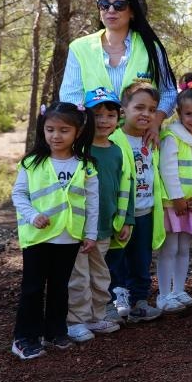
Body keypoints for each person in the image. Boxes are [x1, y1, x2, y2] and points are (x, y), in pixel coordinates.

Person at [10, 102, 99, 360]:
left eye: (63, 130)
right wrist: (32, 216)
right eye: (50, 129)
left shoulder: (86, 166)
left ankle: (55, 331)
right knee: (33, 288)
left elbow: (92, 203)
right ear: (43, 129)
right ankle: (24, 338)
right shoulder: (31, 163)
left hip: (69, 236)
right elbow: (19, 194)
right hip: (37, 237)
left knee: (60, 287)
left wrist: (90, 234)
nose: (55, 136)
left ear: (78, 132)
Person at [59, 0, 177, 147]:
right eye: (104, 5)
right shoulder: (79, 48)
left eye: (119, 5)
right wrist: (86, 125)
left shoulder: (151, 48)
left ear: (132, 11)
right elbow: (71, 95)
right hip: (94, 142)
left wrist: (155, 123)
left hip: (141, 141)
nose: (111, 10)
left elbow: (169, 92)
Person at [66, 88, 127, 342]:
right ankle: (75, 321)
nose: (103, 121)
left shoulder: (116, 150)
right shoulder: (77, 150)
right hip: (79, 227)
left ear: (118, 118)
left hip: (104, 226)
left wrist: (126, 219)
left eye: (110, 115)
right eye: (97, 115)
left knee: (101, 275)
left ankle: (96, 316)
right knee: (79, 276)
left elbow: (124, 186)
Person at [156, 72, 192, 312]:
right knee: (169, 249)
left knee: (183, 249)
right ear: (179, 114)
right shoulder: (172, 137)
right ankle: (163, 295)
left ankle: (179, 290)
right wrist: (177, 198)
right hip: (175, 204)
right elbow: (168, 168)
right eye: (188, 114)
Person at [106, 81, 165, 323]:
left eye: (152, 110)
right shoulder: (113, 139)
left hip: (146, 210)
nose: (146, 114)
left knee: (142, 259)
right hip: (121, 214)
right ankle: (115, 301)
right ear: (124, 109)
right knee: (116, 259)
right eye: (139, 108)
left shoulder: (152, 139)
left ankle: (140, 301)